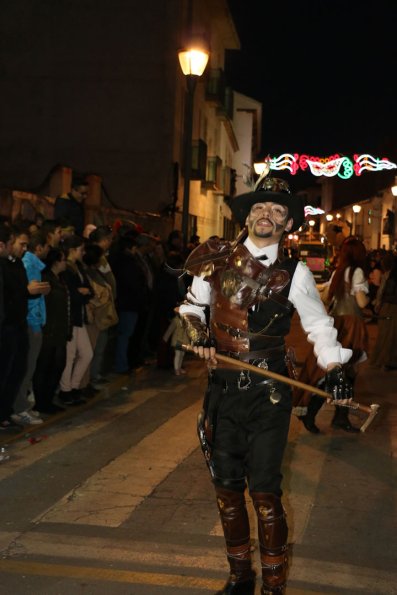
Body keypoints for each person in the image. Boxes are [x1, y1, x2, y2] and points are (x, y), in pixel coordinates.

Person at [179, 176, 354, 595]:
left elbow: (316, 322)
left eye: (277, 211)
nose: (266, 215)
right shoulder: (217, 261)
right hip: (222, 390)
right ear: (247, 215)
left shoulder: (295, 273)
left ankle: (273, 587)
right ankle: (240, 578)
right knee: (226, 489)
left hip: (268, 394)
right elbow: (191, 307)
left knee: (263, 490)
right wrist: (198, 333)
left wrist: (335, 366)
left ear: (288, 223)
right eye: (260, 208)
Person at [294, 237, 369, 434]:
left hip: (337, 323)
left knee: (337, 373)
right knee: (343, 373)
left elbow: (326, 297)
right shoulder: (357, 272)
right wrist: (366, 296)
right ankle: (319, 415)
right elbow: (361, 303)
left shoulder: (338, 272)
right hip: (351, 326)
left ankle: (337, 416)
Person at [12, 231, 51, 426]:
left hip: (31, 322)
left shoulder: (26, 264)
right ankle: (19, 408)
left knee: (28, 367)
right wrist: (34, 323)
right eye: (21, 244)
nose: (23, 248)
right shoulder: (27, 264)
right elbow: (26, 296)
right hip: (29, 323)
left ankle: (21, 405)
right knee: (25, 368)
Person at [32, 247, 70, 414]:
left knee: (58, 365)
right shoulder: (46, 279)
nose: (66, 263)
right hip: (49, 328)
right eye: (63, 259)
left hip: (60, 328)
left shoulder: (59, 279)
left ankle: (47, 399)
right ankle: (42, 402)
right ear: (56, 262)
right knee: (45, 366)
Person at [58, 235, 94, 405]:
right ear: (72, 250)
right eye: (81, 249)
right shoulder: (66, 269)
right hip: (71, 317)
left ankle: (73, 386)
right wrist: (81, 293)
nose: (83, 252)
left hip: (78, 316)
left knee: (86, 353)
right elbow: (71, 294)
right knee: (70, 355)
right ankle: (66, 390)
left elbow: (89, 290)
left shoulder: (78, 267)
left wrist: (83, 292)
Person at [369, 254, 397, 370]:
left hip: (388, 306)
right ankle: (389, 361)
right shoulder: (391, 274)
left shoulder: (389, 275)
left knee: (385, 334)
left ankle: (383, 360)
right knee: (392, 335)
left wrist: (378, 304)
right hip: (393, 306)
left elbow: (382, 291)